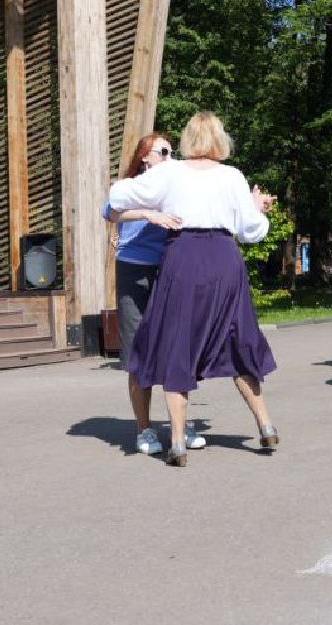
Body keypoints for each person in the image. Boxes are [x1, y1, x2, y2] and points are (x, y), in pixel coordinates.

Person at [107, 111, 279, 467]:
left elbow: (118, 194)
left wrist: (150, 205)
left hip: (184, 256)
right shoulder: (232, 176)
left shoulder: (170, 172)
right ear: (220, 140)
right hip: (223, 257)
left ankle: (177, 443)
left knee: (177, 340)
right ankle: (265, 424)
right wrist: (256, 208)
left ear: (187, 140)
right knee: (236, 336)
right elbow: (251, 231)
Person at [103, 132, 212, 457]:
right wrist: (148, 213)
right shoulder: (132, 185)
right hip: (134, 269)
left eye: (169, 151)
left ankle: (180, 424)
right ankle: (144, 429)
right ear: (144, 157)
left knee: (176, 347)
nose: (167, 155)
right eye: (159, 151)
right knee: (138, 349)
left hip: (171, 268)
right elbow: (111, 211)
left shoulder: (176, 183)